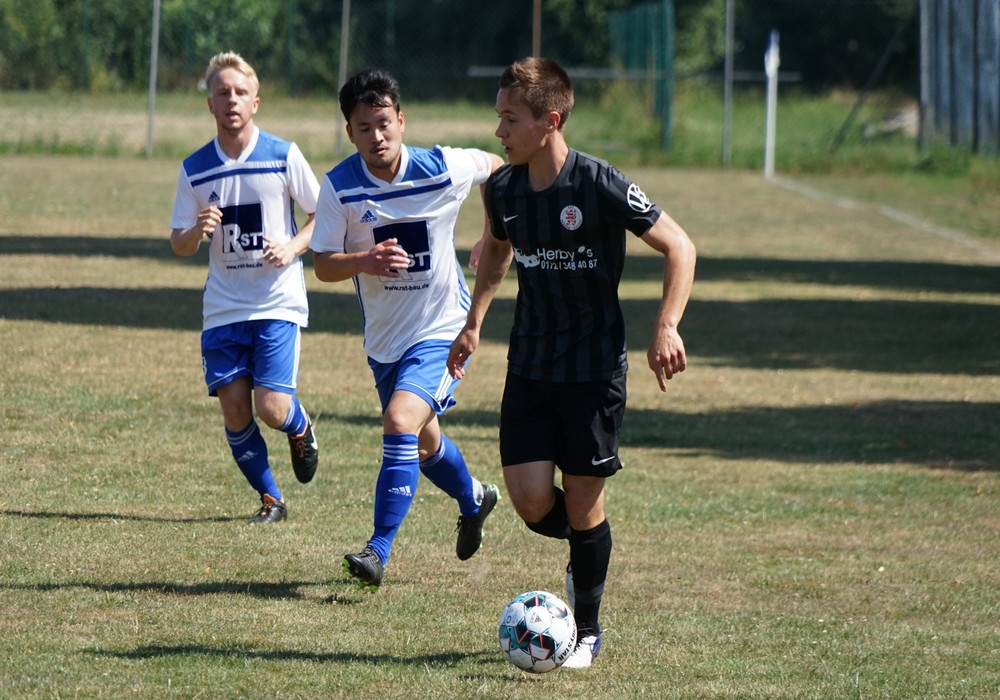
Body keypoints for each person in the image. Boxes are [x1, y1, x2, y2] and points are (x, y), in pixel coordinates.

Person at [447, 57, 697, 669]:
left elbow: (679, 245)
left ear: (550, 121)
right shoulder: (502, 189)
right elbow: (497, 250)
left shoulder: (598, 183)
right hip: (531, 365)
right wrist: (474, 321)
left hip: (593, 370)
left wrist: (666, 325)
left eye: (511, 118)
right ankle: (590, 547)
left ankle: (586, 629)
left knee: (583, 499)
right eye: (499, 116)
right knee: (531, 501)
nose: (500, 131)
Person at [310, 68, 505, 592]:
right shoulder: (340, 187)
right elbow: (322, 264)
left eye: (384, 123)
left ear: (401, 120)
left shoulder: (440, 167)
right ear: (350, 132)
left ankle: (377, 551)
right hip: (385, 342)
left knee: (399, 421)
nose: (377, 136)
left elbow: (498, 168)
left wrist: (492, 232)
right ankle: (474, 498)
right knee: (422, 444)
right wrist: (364, 260)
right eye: (364, 127)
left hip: (443, 329)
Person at [169, 51, 321, 525]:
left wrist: (292, 247)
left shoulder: (283, 155)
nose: (231, 99)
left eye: (240, 92)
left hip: (276, 301)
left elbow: (323, 216)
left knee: (272, 408)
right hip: (223, 307)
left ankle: (299, 426)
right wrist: (196, 230)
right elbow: (178, 244)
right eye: (222, 93)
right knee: (235, 410)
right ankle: (272, 499)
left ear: (255, 102)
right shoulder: (195, 169)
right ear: (210, 104)